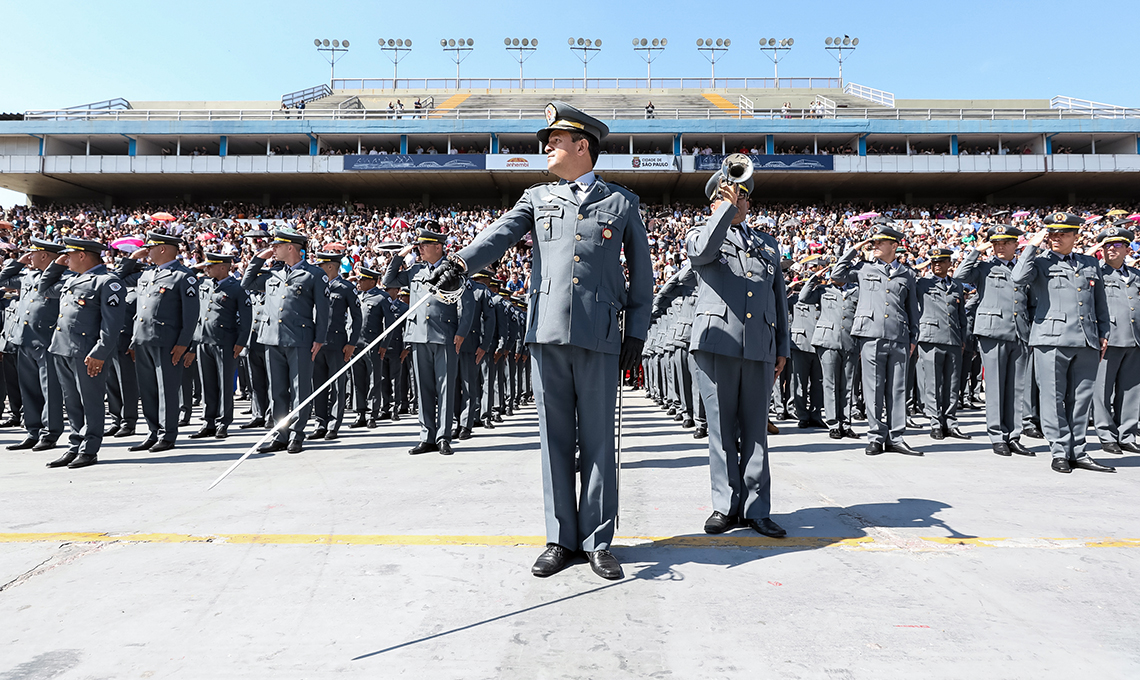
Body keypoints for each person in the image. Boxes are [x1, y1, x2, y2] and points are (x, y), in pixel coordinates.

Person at [427, 101, 654, 581]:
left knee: (597, 442)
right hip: (546, 331)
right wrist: (461, 262)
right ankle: (559, 539)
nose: (547, 146)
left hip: (599, 334)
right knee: (553, 441)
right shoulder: (537, 197)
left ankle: (597, 540)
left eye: (555, 139)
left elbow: (643, 276)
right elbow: (500, 234)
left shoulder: (623, 202)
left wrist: (635, 332)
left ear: (582, 145)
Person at [686, 170, 790, 539]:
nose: (742, 201)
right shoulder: (701, 234)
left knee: (756, 431)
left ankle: (756, 509)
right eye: (733, 195)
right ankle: (725, 505)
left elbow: (779, 300)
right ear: (716, 200)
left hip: (759, 346)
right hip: (718, 344)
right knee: (721, 430)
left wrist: (782, 348)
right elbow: (701, 254)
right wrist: (723, 213)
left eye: (745, 196)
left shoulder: (767, 244)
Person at [1011, 211, 1114, 473]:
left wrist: (1103, 333)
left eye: (1063, 234)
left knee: (1081, 399)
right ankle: (1058, 450)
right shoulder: (1040, 262)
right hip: (1051, 339)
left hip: (1086, 339)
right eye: (1052, 234)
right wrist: (1033, 245)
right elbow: (1017, 277)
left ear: (1076, 236)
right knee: (1052, 398)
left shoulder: (1089, 262)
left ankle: (1077, 451)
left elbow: (1099, 302)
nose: (1056, 238)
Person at [830, 223, 922, 456]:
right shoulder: (864, 268)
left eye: (881, 242)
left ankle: (896, 437)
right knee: (873, 389)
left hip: (899, 336)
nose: (876, 245)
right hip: (870, 335)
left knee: (898, 389)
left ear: (894, 245)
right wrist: (854, 249)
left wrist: (913, 337)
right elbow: (837, 275)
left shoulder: (907, 274)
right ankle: (875, 436)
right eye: (874, 242)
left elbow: (912, 309)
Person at [382, 226, 474, 456]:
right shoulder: (415, 271)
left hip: (445, 335)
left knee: (445, 388)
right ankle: (427, 437)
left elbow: (468, 304)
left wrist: (461, 332)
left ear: (438, 247)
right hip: (418, 334)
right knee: (423, 389)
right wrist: (399, 256)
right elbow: (388, 280)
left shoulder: (453, 270)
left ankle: (443, 437)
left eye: (424, 245)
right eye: (418, 245)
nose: (420, 249)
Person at [241, 229, 330, 454]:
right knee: (277, 390)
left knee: (300, 390)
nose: (274, 249)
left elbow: (323, 309)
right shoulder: (273, 273)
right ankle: (281, 435)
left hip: (300, 339)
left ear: (291, 247)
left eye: (278, 245)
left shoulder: (314, 274)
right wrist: (260, 256)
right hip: (272, 338)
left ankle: (297, 435)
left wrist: (319, 338)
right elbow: (246, 282)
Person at [953, 225, 1035, 456]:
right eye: (996, 242)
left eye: (1005, 242)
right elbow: (959, 276)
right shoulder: (984, 267)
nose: (999, 246)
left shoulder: (1024, 268)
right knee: (996, 387)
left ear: (1015, 244)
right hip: (992, 331)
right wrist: (977, 250)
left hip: (1019, 331)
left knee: (1016, 388)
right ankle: (997, 435)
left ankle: (1014, 435)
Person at [45, 238, 126, 469]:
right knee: (72, 402)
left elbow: (112, 325)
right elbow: (45, 289)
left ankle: (89, 449)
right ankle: (74, 446)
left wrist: (100, 352)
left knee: (89, 401)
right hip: (63, 348)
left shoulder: (108, 282)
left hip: (87, 352)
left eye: (69, 255)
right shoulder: (73, 279)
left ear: (82, 255)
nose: (66, 258)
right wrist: (57, 265)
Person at [120, 232, 200, 453]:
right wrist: (134, 340)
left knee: (166, 389)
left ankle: (167, 434)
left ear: (163, 249)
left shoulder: (184, 277)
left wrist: (185, 344)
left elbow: (192, 315)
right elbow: (137, 304)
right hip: (143, 340)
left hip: (168, 342)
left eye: (150, 248)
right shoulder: (147, 275)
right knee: (147, 390)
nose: (147, 252)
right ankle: (152, 432)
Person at [0, 238, 68, 452]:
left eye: (33, 253)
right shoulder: (29, 276)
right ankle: (33, 431)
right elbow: (3, 278)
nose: (29, 257)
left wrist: (55, 267)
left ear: (46, 256)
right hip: (25, 340)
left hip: (46, 342)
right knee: (28, 389)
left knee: (50, 392)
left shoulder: (65, 278)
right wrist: (18, 261)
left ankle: (50, 433)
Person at [188, 253, 251, 440]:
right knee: (207, 383)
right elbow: (188, 274)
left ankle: (223, 422)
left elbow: (246, 319)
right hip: (204, 340)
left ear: (223, 267)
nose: (206, 269)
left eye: (210, 266)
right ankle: (208, 421)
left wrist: (241, 342)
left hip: (226, 342)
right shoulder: (204, 284)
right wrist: (200, 266)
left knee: (224, 384)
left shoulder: (237, 288)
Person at [1090, 223, 1140, 454]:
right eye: (1107, 245)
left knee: (1131, 391)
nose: (1111, 249)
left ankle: (1127, 433)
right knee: (1102, 391)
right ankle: (1106, 434)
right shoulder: (1096, 272)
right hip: (1108, 339)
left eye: (1117, 245)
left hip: (1134, 339)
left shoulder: (1136, 275)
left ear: (1128, 249)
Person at [914, 248, 969, 440]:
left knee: (952, 384)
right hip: (930, 338)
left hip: (953, 339)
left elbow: (961, 316)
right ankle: (935, 422)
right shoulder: (922, 283)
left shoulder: (956, 285)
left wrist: (963, 339)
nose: (937, 265)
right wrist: (918, 266)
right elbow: (906, 274)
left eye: (941, 262)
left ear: (949, 264)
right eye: (934, 262)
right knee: (933, 384)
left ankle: (950, 422)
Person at [801, 262, 860, 440]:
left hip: (850, 340)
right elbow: (803, 297)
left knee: (847, 385)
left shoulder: (856, 291)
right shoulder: (823, 290)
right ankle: (834, 423)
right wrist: (814, 278)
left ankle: (846, 423)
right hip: (828, 341)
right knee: (830, 383)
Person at [311, 252, 361, 440]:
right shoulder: (315, 286)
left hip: (337, 342)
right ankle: (320, 422)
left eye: (321, 265)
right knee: (318, 385)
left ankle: (333, 424)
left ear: (331, 266)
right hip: (317, 342)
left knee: (338, 386)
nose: (317, 268)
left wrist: (352, 343)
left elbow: (357, 317)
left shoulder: (346, 288)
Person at [350, 267, 392, 428]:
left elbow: (390, 324)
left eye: (362, 280)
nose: (359, 283)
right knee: (357, 379)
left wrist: (384, 345)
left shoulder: (382, 298)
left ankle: (372, 414)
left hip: (373, 344)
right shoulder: (357, 296)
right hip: (356, 344)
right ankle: (360, 413)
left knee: (375, 380)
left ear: (372, 281)